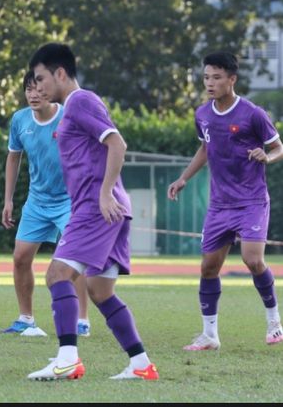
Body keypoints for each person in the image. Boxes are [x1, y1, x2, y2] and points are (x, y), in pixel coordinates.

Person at [25, 43, 158, 381]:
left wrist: (103, 194)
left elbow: (117, 143)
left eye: (40, 79)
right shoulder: (72, 108)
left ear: (60, 73)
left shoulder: (81, 101)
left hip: (97, 209)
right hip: (107, 209)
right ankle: (141, 365)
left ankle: (67, 359)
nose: (37, 86)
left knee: (56, 275)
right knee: (99, 291)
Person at [168, 51, 283, 351]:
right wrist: (183, 178)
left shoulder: (253, 113)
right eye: (207, 77)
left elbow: (278, 147)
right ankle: (209, 335)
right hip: (220, 205)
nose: (210, 82)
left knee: (253, 259)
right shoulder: (202, 114)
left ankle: (274, 323)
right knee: (208, 267)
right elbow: (205, 149)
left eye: (217, 77)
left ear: (232, 80)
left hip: (252, 201)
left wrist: (266, 156)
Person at [1, 70, 91, 337]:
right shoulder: (19, 120)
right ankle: (26, 319)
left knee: (74, 260)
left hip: (70, 200)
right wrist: (8, 200)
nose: (34, 94)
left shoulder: (68, 115)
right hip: (37, 202)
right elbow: (13, 158)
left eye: (40, 89)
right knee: (20, 258)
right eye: (29, 89)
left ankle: (82, 320)